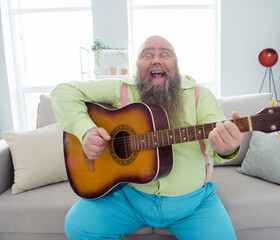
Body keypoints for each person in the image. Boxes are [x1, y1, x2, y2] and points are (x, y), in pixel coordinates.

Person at [51, 35, 243, 240]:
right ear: (137, 66)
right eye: (148, 54)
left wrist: (226, 147)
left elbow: (220, 141)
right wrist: (86, 131)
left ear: (176, 65)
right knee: (78, 225)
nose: (156, 60)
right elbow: (62, 92)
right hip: (131, 200)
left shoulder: (200, 95)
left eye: (165, 54)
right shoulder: (122, 89)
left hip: (193, 206)